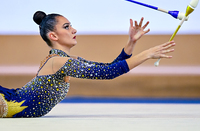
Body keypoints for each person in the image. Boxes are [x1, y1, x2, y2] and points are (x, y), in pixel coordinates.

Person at [0, 11, 175, 118]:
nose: (74, 30)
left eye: (71, 26)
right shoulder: (58, 62)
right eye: (67, 27)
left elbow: (108, 68)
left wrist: (131, 43)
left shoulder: (66, 61)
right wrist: (147, 54)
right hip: (6, 104)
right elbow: (109, 73)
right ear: (53, 36)